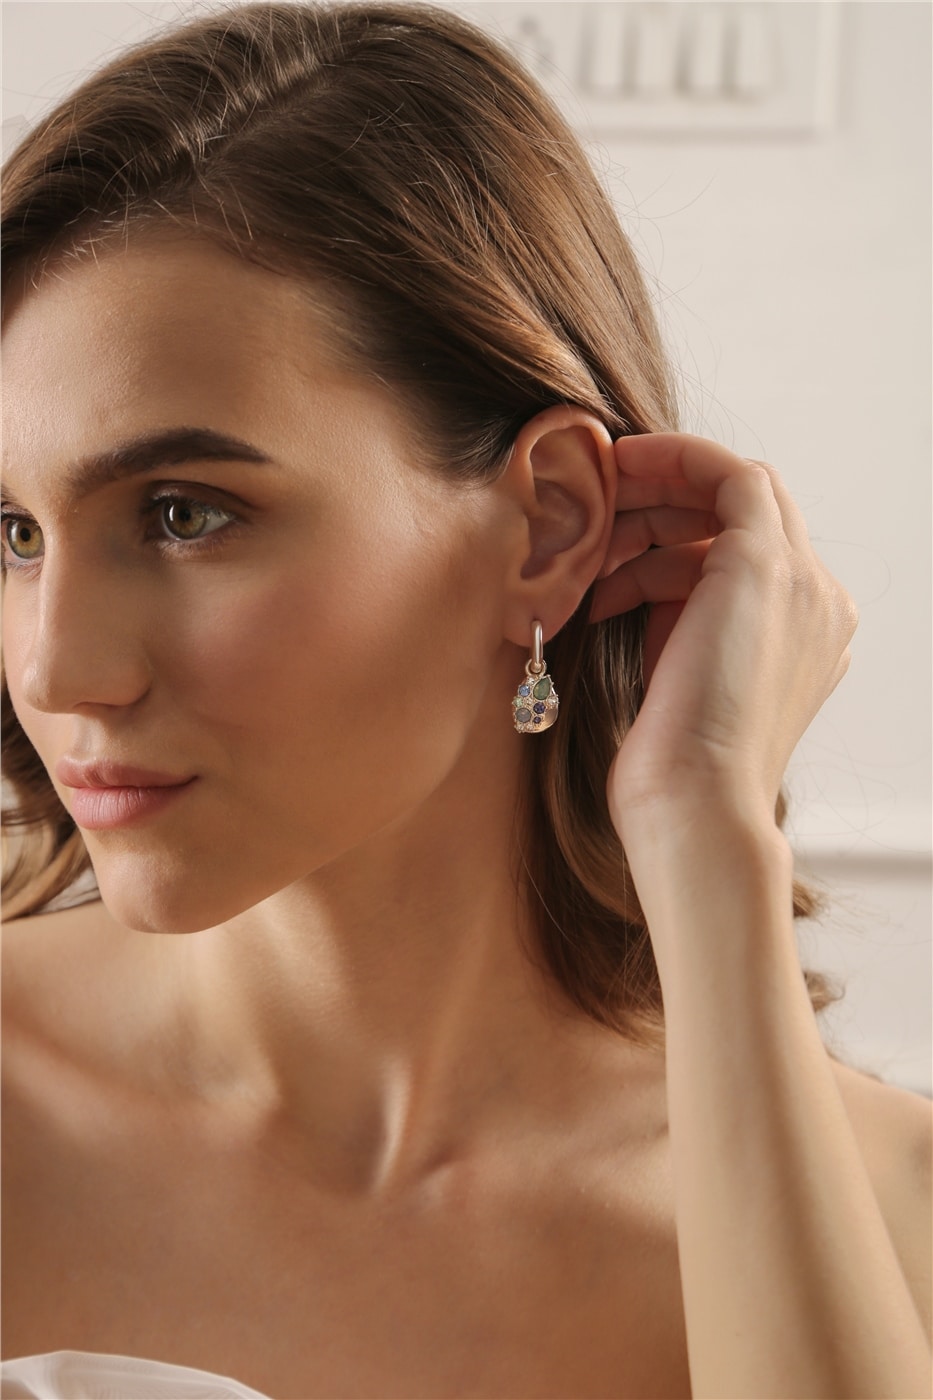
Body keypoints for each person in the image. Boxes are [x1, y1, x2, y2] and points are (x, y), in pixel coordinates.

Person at [1, 3, 929, 1397]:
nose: (54, 670)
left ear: (548, 527)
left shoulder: (890, 1221)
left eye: (185, 514)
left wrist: (707, 831)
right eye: (14, 533)